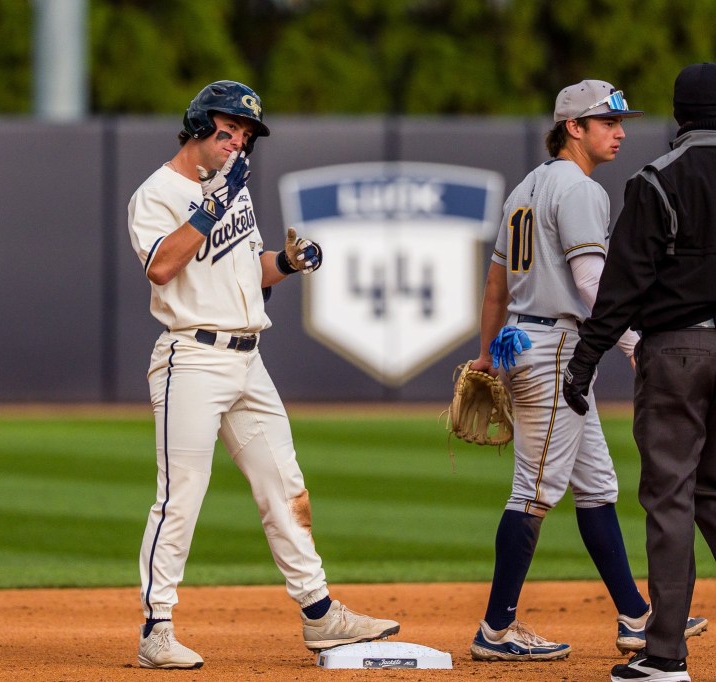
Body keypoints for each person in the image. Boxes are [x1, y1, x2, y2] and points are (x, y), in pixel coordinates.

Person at [126, 80, 401, 670]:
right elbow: (163, 267)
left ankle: (319, 613)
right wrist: (212, 205)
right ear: (199, 126)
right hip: (191, 357)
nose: (238, 143)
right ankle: (157, 628)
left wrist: (289, 263)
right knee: (180, 495)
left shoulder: (232, 190)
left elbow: (249, 269)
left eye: (246, 135)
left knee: (284, 484)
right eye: (229, 131)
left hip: (248, 357)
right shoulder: (157, 193)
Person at [466, 79, 707, 663]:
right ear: (573, 127)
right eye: (606, 121)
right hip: (555, 349)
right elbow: (594, 287)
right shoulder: (579, 191)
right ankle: (495, 631)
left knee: (597, 485)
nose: (619, 131)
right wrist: (633, 341)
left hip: (533, 340)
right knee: (533, 490)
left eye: (621, 121)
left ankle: (634, 617)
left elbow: (496, 285)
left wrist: (486, 353)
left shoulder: (526, 187)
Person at [564, 63, 716, 682]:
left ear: (678, 115)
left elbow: (621, 289)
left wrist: (584, 360)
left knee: (672, 500)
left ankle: (664, 658)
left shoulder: (659, 179)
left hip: (677, 352)